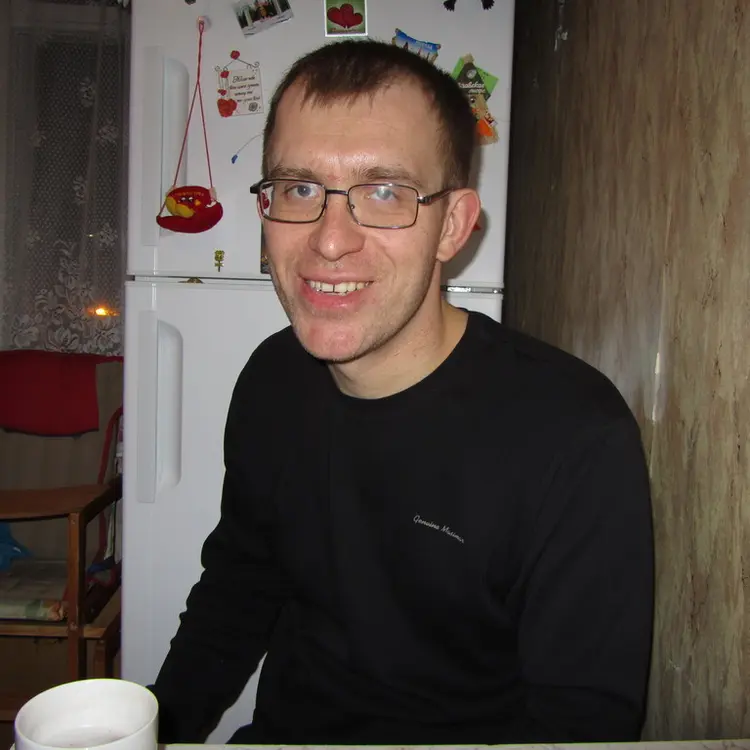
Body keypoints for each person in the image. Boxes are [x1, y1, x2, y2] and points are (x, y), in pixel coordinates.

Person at [150, 39, 654, 745]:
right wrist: (153, 728)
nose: (330, 241)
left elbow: (581, 723)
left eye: (384, 193)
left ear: (454, 225)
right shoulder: (272, 379)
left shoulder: (574, 438)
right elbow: (240, 586)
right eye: (299, 189)